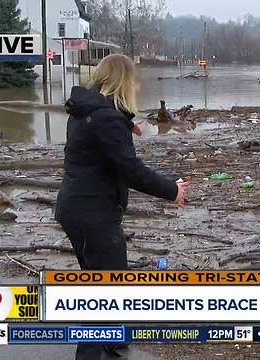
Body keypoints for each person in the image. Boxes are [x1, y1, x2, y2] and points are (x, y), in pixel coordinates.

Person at [55, 54, 189, 359]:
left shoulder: (83, 112)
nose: (138, 84)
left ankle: (114, 341)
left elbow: (98, 142)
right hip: (93, 215)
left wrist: (125, 125)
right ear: (122, 81)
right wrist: (172, 191)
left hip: (77, 209)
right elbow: (130, 169)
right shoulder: (105, 120)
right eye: (135, 79)